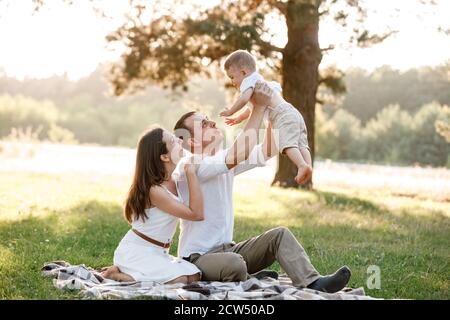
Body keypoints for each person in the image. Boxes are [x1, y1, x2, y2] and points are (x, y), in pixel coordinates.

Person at [173, 82, 351, 293]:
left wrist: (268, 111)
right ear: (192, 142)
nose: (212, 123)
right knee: (235, 264)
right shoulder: (191, 164)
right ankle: (249, 276)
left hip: (230, 250)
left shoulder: (223, 162)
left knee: (279, 235)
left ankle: (313, 282)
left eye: (209, 119)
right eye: (203, 124)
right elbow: (238, 153)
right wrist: (257, 108)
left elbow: (267, 149)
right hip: (198, 259)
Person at [101, 127, 203, 284]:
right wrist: (190, 173)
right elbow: (196, 214)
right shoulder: (154, 190)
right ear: (164, 156)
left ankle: (128, 272)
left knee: (194, 275)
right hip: (136, 252)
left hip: (159, 252)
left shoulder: (174, 179)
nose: (180, 141)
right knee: (180, 280)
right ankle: (118, 275)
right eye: (173, 141)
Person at [219, 49, 312, 185]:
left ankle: (302, 165)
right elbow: (251, 108)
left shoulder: (248, 82)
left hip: (281, 115)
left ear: (244, 72)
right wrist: (239, 118)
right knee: (301, 143)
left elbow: (244, 100)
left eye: (232, 77)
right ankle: (307, 165)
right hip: (292, 112)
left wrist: (231, 111)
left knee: (287, 142)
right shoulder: (259, 82)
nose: (232, 82)